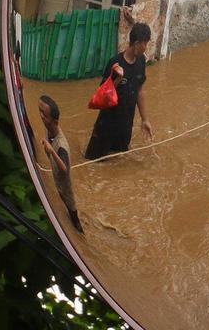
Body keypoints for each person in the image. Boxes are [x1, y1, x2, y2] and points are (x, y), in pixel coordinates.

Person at [84, 23, 154, 161]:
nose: (146, 47)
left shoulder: (141, 62)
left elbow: (139, 90)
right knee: (92, 162)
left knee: (118, 162)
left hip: (125, 125)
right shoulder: (115, 63)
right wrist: (116, 80)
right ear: (136, 43)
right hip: (107, 125)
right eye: (145, 44)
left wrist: (145, 119)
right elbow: (99, 97)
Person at [38, 95, 82, 233]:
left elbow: (64, 169)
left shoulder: (61, 146)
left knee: (72, 212)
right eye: (39, 111)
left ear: (54, 121)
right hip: (58, 183)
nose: (40, 116)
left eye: (44, 114)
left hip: (64, 186)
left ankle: (80, 232)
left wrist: (52, 152)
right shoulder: (49, 128)